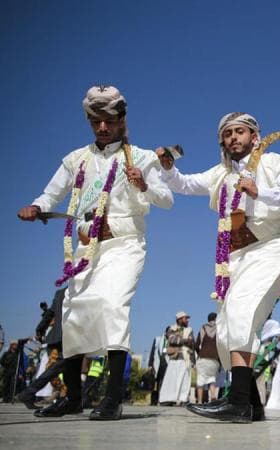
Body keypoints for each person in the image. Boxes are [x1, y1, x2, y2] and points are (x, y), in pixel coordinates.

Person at [17, 85, 173, 420]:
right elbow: (51, 193)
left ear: (122, 120)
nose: (102, 127)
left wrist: (144, 184)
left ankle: (112, 399)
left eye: (109, 120)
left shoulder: (142, 158)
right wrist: (36, 206)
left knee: (112, 306)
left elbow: (166, 198)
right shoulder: (77, 159)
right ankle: (73, 398)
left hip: (125, 245)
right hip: (87, 247)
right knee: (73, 314)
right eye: (95, 121)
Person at [159, 112, 280, 423]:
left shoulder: (274, 162)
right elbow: (184, 183)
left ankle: (236, 403)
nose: (234, 137)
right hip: (234, 257)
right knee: (225, 331)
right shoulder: (219, 173)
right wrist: (169, 169)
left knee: (240, 313)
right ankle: (251, 403)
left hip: (269, 246)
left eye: (240, 131)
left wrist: (259, 191)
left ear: (254, 136)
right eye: (228, 134)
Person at [160, 312, 194, 406]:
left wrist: (180, 340)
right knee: (171, 379)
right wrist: (185, 340)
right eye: (185, 318)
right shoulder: (172, 328)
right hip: (174, 357)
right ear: (179, 319)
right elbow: (171, 339)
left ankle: (183, 399)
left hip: (185, 357)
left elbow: (192, 343)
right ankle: (167, 399)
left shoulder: (189, 329)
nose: (187, 320)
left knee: (185, 380)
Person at [195, 313, 221, 404]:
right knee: (212, 379)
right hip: (214, 358)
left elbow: (196, 345)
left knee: (200, 380)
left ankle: (199, 401)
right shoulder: (220, 329)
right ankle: (213, 397)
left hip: (203, 357)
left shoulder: (203, 328)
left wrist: (200, 353)